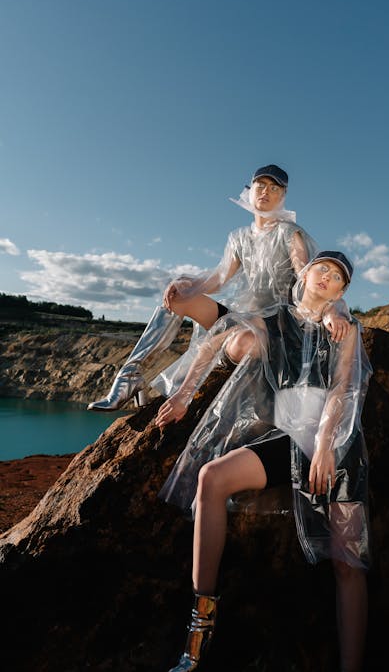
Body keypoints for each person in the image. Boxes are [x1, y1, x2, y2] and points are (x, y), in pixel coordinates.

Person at [155, 251, 373, 672]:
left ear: (343, 291)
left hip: (339, 446)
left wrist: (327, 444)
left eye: (338, 277)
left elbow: (344, 388)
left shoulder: (346, 329)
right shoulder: (274, 319)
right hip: (289, 440)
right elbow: (218, 336)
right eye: (322, 269)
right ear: (306, 273)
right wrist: (183, 395)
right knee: (211, 478)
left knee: (349, 564)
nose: (327, 277)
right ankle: (196, 641)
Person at [87, 165, 351, 411]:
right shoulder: (239, 237)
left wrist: (333, 310)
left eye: (274, 188)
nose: (266, 192)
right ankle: (130, 377)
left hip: (272, 324)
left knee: (238, 338)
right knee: (178, 298)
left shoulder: (289, 233)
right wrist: (186, 283)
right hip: (236, 317)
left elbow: (308, 277)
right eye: (261, 185)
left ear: (283, 195)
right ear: (251, 190)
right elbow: (219, 279)